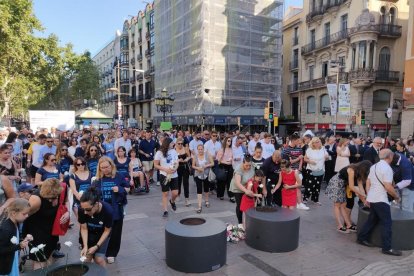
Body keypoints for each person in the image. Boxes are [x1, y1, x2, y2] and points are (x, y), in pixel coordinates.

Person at [357, 149, 402, 256]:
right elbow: (388, 187)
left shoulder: (374, 166)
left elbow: (368, 182)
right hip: (381, 199)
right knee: (387, 224)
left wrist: (369, 196)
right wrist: (396, 197)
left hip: (373, 198)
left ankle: (361, 238)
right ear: (390, 157)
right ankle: (387, 248)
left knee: (372, 220)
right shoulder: (387, 169)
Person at [23, 178, 69, 269]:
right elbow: (23, 215)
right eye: (49, 198)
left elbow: (66, 201)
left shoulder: (60, 190)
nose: (51, 200)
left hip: (51, 230)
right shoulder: (36, 199)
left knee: (49, 255)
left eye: (54, 197)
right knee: (40, 260)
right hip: (37, 232)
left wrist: (67, 213)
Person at [93, 157, 129, 264]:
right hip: (102, 211)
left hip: (116, 209)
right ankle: (101, 251)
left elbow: (128, 188)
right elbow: (92, 192)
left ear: (111, 165)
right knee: (102, 232)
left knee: (115, 233)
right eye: (102, 167)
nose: (105, 169)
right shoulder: (98, 179)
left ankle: (111, 254)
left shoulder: (118, 176)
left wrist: (120, 189)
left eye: (107, 167)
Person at [78, 187, 113, 267]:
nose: (85, 212)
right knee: (86, 258)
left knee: (99, 259)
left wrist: (97, 246)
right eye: (84, 209)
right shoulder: (82, 210)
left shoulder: (108, 211)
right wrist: (85, 246)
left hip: (102, 233)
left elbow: (107, 231)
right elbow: (83, 228)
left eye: (88, 209)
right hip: (89, 233)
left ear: (96, 204)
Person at [0, 198, 31, 276]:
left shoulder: (15, 223)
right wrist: (19, 246)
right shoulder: (6, 229)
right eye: (24, 214)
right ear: (14, 213)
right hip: (4, 266)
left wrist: (24, 240)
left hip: (12, 260)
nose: (27, 216)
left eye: (28, 213)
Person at [154, 138, 179, 217]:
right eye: (171, 143)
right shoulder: (159, 152)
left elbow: (176, 162)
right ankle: (165, 210)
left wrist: (175, 169)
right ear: (167, 144)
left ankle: (172, 201)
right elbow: (156, 165)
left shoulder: (174, 151)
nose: (173, 144)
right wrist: (165, 169)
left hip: (174, 175)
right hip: (164, 175)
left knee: (175, 193)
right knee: (165, 193)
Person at [229, 156, 257, 224]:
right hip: (238, 188)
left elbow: (254, 176)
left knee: (248, 205)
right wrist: (246, 191)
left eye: (249, 165)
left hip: (248, 187)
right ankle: (240, 222)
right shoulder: (238, 169)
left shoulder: (252, 166)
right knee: (240, 205)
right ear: (243, 163)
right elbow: (238, 183)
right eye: (246, 165)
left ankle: (248, 221)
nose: (248, 167)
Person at [303, 137, 328, 204]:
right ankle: (305, 198)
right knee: (310, 185)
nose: (319, 143)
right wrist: (310, 161)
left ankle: (315, 199)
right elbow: (305, 159)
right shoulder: (309, 150)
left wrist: (327, 157)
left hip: (320, 169)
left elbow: (327, 158)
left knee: (318, 185)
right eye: (317, 142)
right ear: (313, 143)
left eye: (319, 141)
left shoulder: (323, 149)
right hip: (311, 169)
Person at [192, 144, 214, 213]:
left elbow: (212, 163)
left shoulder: (207, 155)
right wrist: (197, 168)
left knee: (206, 188)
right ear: (197, 150)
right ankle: (199, 206)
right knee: (199, 189)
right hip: (198, 174)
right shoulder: (195, 156)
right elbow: (193, 166)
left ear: (203, 149)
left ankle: (206, 200)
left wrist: (206, 165)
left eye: (201, 149)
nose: (200, 150)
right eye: (199, 149)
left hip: (206, 174)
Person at [216, 136, 235, 202]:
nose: (229, 142)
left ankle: (231, 196)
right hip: (223, 166)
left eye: (230, 141)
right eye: (228, 141)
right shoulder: (221, 149)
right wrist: (224, 161)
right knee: (222, 182)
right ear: (225, 141)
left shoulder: (231, 149)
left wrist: (232, 163)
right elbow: (218, 160)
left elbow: (232, 158)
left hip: (230, 167)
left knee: (230, 182)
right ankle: (221, 195)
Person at [175, 138, 191, 205]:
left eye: (181, 143)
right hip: (177, 167)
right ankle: (178, 195)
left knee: (186, 183)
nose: (180, 145)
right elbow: (172, 159)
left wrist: (186, 160)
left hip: (185, 167)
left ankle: (186, 199)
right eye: (179, 143)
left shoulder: (186, 148)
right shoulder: (174, 149)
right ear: (176, 143)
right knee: (178, 182)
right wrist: (178, 160)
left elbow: (189, 156)